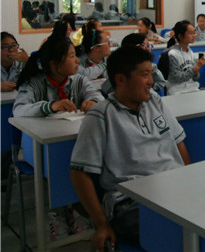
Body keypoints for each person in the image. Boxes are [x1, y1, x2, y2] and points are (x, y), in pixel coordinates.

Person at [70, 46, 190, 250]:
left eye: (151, 74)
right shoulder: (101, 115)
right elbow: (79, 173)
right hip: (130, 201)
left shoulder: (154, 101)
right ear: (121, 79)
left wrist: (188, 181)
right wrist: (101, 224)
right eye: (144, 75)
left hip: (173, 190)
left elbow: (179, 143)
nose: (151, 81)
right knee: (182, 229)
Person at [13, 35, 104, 117]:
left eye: (76, 55)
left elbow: (98, 97)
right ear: (54, 64)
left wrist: (93, 102)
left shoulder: (79, 80)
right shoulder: (34, 83)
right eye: (72, 56)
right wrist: (50, 107)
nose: (77, 60)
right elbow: (18, 110)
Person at [166, 20, 205, 95]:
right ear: (180, 36)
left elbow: (195, 78)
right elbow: (177, 78)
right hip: (177, 91)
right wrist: (194, 70)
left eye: (194, 33)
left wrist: (197, 69)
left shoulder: (190, 52)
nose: (193, 35)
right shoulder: (173, 54)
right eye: (191, 33)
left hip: (192, 89)